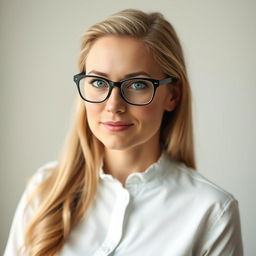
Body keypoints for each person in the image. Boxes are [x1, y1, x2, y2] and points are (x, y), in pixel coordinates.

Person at [4, 9, 243, 256]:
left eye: (137, 85)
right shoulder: (44, 189)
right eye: (98, 82)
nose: (114, 105)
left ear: (172, 95)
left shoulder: (212, 211)